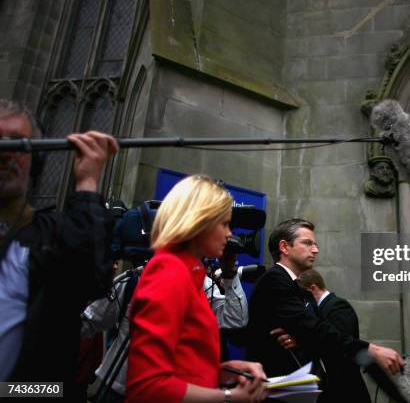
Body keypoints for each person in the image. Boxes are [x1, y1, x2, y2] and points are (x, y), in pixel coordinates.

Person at [0, 99, 118, 396]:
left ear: (35, 160)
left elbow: (91, 274)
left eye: (18, 142)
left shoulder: (50, 237)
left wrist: (88, 182)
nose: (4, 150)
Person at [126, 175, 267, 403]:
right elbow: (147, 387)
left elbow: (182, 365)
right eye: (224, 224)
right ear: (199, 221)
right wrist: (228, 397)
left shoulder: (188, 271)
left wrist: (223, 371)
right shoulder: (170, 271)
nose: (230, 234)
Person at [246, 218, 404, 379]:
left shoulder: (298, 288)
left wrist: (302, 339)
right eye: (307, 243)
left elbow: (312, 330)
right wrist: (373, 350)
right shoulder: (275, 280)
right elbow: (314, 329)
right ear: (284, 247)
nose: (315, 250)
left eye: (315, 244)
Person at [82, 255, 248, 403]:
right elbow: (88, 322)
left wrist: (230, 273)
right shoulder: (137, 279)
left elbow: (236, 319)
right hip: (120, 390)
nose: (227, 234)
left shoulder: (205, 287)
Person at [297, 268, 371, 403]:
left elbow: (342, 348)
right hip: (334, 389)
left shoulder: (337, 306)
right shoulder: (322, 310)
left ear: (312, 289)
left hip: (347, 391)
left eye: (302, 296)